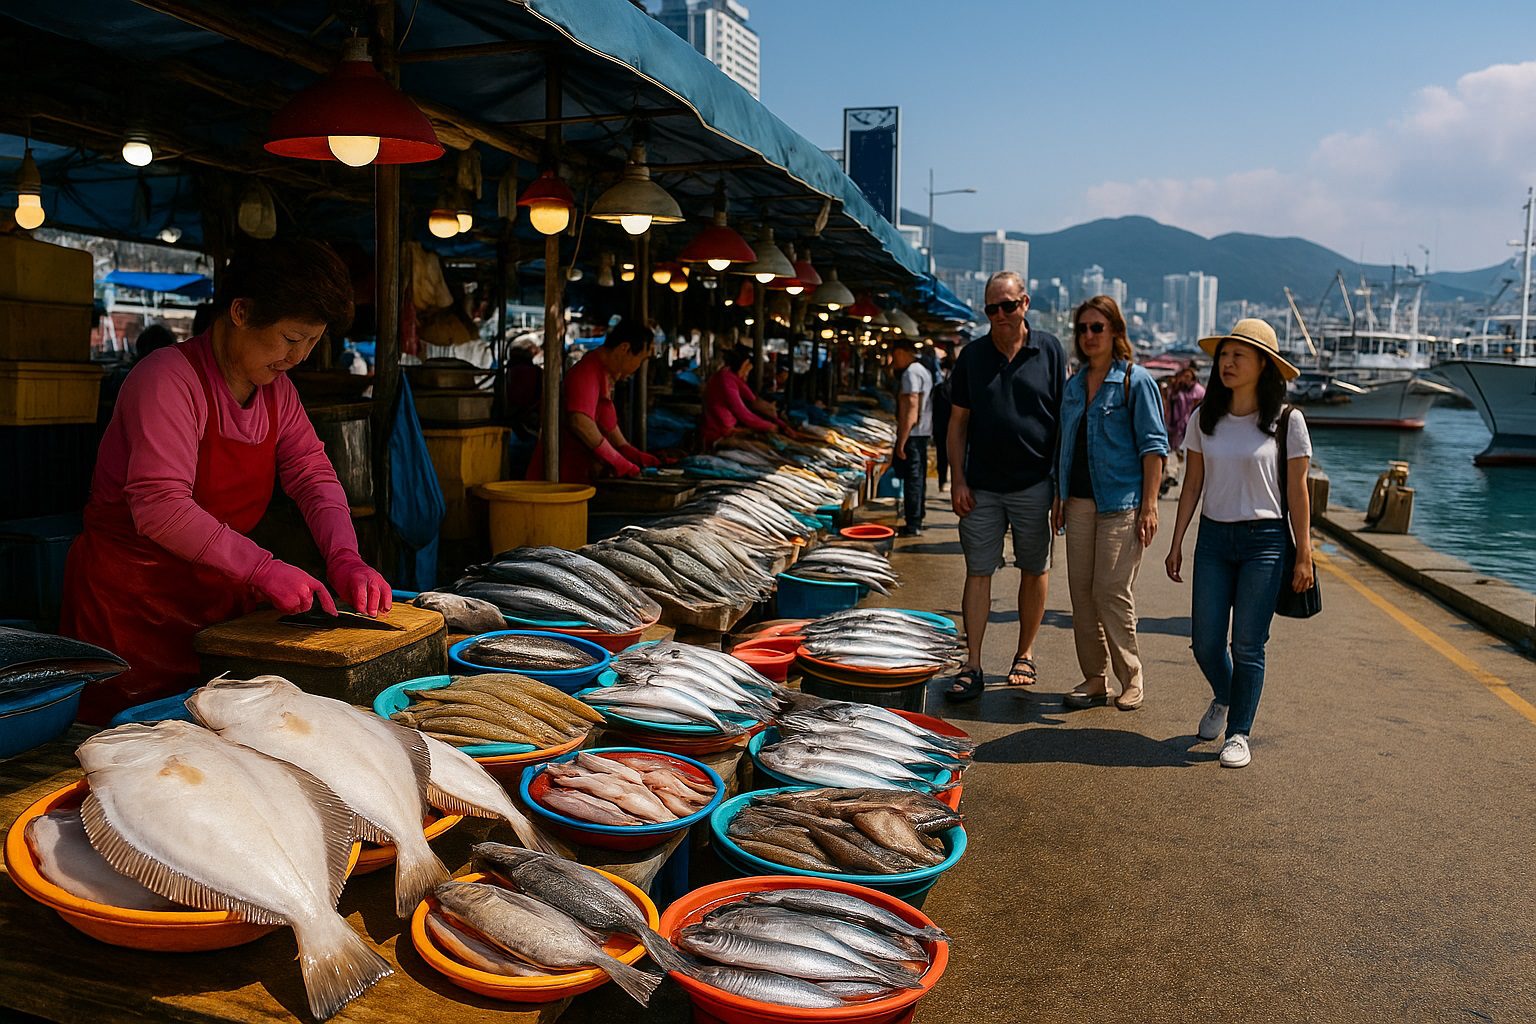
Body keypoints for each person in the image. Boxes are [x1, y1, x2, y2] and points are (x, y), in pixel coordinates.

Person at [60, 241, 391, 724]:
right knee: (126, 741)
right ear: (241, 312)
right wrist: (263, 569)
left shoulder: (278, 392)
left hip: (216, 603)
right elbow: (160, 506)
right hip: (130, 608)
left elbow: (313, 475)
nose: (298, 356)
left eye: (312, 342)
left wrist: (345, 556)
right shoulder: (167, 379)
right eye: (290, 338)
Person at [1163, 318, 1314, 769]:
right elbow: (1192, 484)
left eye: (1238, 356)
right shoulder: (1203, 418)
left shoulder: (1287, 421)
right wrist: (1177, 541)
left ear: (1264, 365)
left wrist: (1304, 554)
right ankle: (1225, 695)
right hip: (1213, 538)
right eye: (1223, 356)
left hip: (1265, 543)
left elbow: (1298, 492)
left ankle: (1238, 732)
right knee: (1205, 643)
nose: (1227, 363)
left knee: (1248, 644)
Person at [943, 271, 1066, 702]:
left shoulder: (1050, 350)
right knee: (978, 570)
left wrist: (1060, 488)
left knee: (1034, 567)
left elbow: (1063, 422)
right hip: (981, 485)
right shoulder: (972, 356)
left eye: (1008, 306)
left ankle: (1024, 654)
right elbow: (957, 424)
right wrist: (957, 479)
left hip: (1035, 483)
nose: (1000, 315)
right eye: (991, 308)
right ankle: (973, 662)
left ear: (1025, 303)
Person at [1052, 296, 1168, 711]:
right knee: (1081, 594)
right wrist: (1059, 495)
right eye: (1082, 328)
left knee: (1111, 590)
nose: (1088, 335)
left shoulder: (1136, 381)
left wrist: (1150, 505)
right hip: (1078, 503)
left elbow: (1154, 448)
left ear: (1116, 331)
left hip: (1121, 502)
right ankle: (1094, 678)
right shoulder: (1073, 385)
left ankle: (1131, 676)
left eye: (1097, 327)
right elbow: (1064, 445)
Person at [525, 318, 658, 482]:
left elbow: (610, 427)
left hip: (582, 476)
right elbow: (580, 422)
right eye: (641, 359)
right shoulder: (587, 372)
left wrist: (631, 453)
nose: (639, 366)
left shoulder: (604, 375)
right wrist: (618, 461)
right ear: (624, 348)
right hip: (562, 478)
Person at [890, 338, 934, 537]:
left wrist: (902, 440)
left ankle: (912, 523)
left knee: (912, 479)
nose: (894, 361)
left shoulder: (911, 372)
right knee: (918, 477)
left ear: (902, 352)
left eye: (895, 356)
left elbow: (912, 405)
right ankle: (917, 517)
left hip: (914, 434)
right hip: (922, 433)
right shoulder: (922, 369)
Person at [702, 346, 786, 447]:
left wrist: (781, 424)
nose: (747, 373)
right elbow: (744, 415)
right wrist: (769, 426)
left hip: (730, 429)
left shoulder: (733, 377)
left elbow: (754, 401)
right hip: (719, 433)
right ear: (743, 365)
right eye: (747, 369)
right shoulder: (725, 380)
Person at [1162, 362, 1206, 496]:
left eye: (1188, 376)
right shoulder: (1176, 390)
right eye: (1184, 376)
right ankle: (1171, 477)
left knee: (1187, 459)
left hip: (1191, 427)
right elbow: (1168, 406)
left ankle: (1178, 483)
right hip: (1175, 428)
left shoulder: (1198, 391)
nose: (1185, 379)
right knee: (1173, 454)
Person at [932, 353, 955, 493]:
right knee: (956, 455)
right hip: (954, 426)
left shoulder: (939, 388)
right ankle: (954, 480)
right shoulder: (958, 387)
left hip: (940, 426)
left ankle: (942, 481)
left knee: (942, 454)